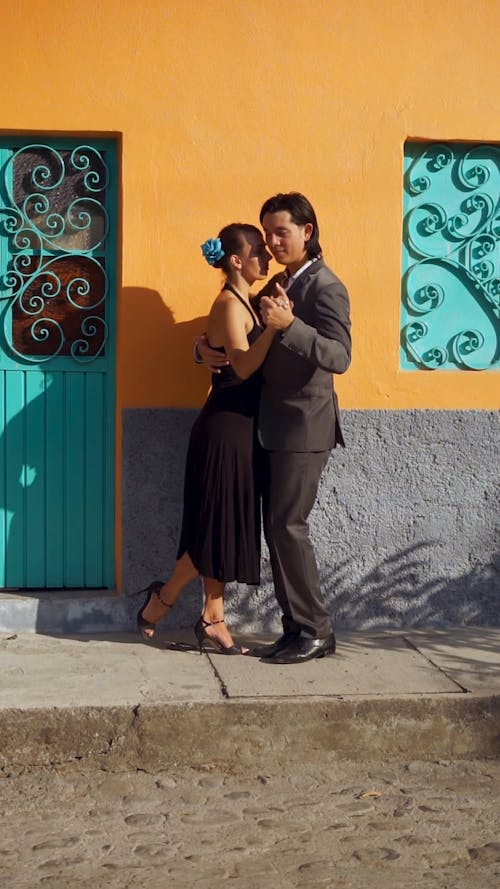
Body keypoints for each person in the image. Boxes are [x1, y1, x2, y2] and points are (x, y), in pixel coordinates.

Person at [197, 193, 351, 663]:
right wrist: (202, 349)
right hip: (269, 426)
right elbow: (237, 326)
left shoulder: (325, 286)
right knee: (277, 529)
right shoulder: (280, 283)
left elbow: (340, 357)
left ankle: (316, 630)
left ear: (307, 232)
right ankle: (295, 627)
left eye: (281, 232)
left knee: (288, 526)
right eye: (268, 235)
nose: (273, 242)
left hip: (304, 427)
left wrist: (291, 326)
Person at [137, 223, 278, 654]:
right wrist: (274, 328)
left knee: (217, 524)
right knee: (213, 527)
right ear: (235, 260)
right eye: (257, 250)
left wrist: (200, 347)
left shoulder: (246, 303)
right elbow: (245, 365)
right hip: (223, 430)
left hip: (239, 427)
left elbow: (217, 347)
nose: (266, 256)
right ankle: (160, 602)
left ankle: (213, 617)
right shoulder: (230, 306)